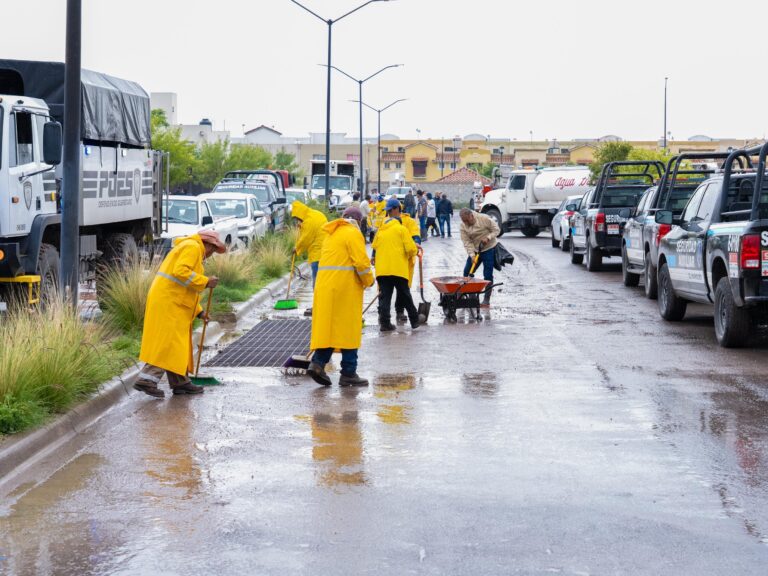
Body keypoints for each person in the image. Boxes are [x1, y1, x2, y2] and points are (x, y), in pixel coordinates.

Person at [134, 230, 226, 398]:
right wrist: (205, 281)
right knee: (168, 343)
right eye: (213, 250)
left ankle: (180, 382)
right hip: (168, 302)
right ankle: (146, 379)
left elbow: (185, 288)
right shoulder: (192, 247)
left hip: (171, 300)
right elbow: (181, 272)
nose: (211, 254)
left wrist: (199, 312)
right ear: (207, 244)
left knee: (177, 344)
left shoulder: (192, 248)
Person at [308, 206, 374, 387]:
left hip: (325, 289)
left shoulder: (332, 234)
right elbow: (361, 263)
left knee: (331, 330)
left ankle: (318, 364)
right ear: (358, 222)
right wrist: (369, 280)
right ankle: (349, 373)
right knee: (349, 330)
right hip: (344, 290)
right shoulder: (352, 233)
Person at [372, 198, 422, 331]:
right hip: (398, 268)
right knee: (405, 295)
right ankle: (415, 321)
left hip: (382, 270)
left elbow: (374, 247)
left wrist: (374, 257)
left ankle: (384, 323)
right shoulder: (401, 229)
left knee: (385, 297)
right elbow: (411, 249)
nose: (388, 213)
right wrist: (415, 249)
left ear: (396, 210)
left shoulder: (381, 230)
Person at [292, 200, 329, 316]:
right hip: (326, 251)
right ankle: (322, 306)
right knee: (322, 282)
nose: (297, 220)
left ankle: (318, 308)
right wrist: (301, 226)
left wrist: (296, 249)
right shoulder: (315, 214)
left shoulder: (308, 222)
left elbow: (306, 239)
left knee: (317, 283)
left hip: (318, 254)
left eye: (297, 218)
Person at [459, 208, 500, 307]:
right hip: (475, 250)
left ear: (471, 216)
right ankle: (470, 296)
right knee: (467, 272)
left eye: (468, 221)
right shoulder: (463, 226)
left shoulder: (484, 218)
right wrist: (472, 255)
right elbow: (467, 242)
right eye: (464, 222)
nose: (466, 224)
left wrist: (488, 237)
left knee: (487, 274)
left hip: (489, 249)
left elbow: (496, 230)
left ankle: (486, 300)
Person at [395, 209, 423, 323]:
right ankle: (385, 314)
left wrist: (416, 243)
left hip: (404, 261)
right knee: (401, 288)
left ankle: (399, 312)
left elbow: (416, 235)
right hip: (392, 260)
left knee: (401, 288)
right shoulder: (386, 222)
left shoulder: (409, 221)